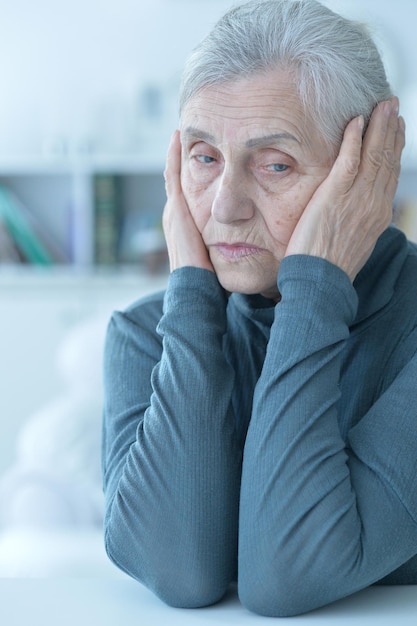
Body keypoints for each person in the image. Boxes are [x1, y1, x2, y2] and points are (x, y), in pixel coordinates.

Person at [101, 0, 417, 617]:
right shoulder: (143, 336)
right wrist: (191, 295)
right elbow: (179, 571)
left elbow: (287, 578)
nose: (224, 207)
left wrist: (316, 290)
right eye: (204, 157)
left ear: (370, 173)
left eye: (276, 164)